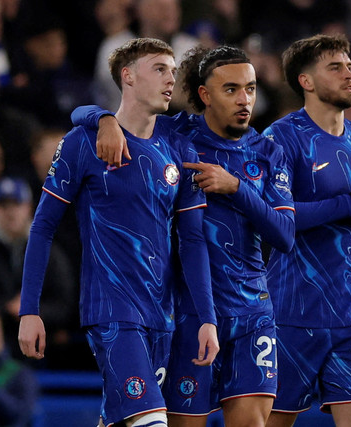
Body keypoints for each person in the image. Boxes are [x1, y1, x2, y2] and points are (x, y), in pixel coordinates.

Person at [72, 44, 295, 427]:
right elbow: (89, 114)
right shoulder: (176, 133)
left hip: (251, 312)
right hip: (188, 312)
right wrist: (103, 119)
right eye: (231, 89)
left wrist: (235, 188)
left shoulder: (268, 153)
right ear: (205, 95)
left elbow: (285, 235)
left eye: (251, 88)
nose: (245, 100)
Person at [18, 38, 218, 427]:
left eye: (173, 71)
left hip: (163, 314)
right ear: (127, 76)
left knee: (124, 420)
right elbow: (43, 227)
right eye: (159, 68)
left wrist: (206, 317)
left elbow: (192, 241)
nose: (170, 79)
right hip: (111, 310)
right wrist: (30, 310)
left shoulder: (179, 147)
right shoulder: (83, 143)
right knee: (151, 422)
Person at [262, 34, 351, 427]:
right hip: (292, 312)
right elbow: (276, 218)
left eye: (349, 65)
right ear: (306, 81)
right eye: (334, 67)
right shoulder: (280, 138)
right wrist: (348, 205)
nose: (348, 73)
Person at [0, 176, 76, 363]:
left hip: (42, 351)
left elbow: (64, 302)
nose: (10, 213)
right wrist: (5, 307)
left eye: (16, 204)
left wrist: (32, 310)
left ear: (28, 207)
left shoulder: (49, 251)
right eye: (3, 206)